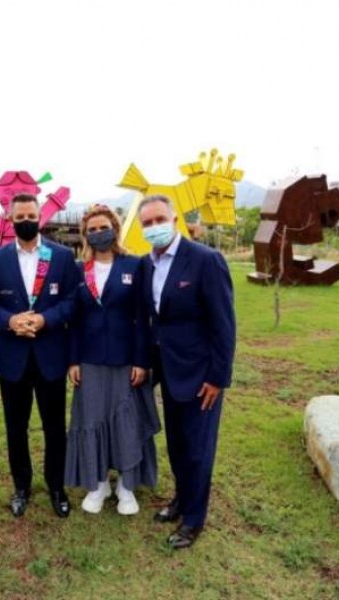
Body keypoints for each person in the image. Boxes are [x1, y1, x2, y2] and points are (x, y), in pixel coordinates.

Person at [138, 195, 236, 550]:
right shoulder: (147, 265)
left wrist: (218, 378)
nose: (153, 228)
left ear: (175, 219)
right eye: (146, 223)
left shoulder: (206, 261)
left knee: (198, 449)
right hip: (169, 372)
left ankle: (194, 519)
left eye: (158, 219)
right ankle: (181, 500)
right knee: (178, 445)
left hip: (202, 375)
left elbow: (224, 325)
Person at [0, 193, 81, 518]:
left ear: (40, 217)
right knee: (16, 427)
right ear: (10, 220)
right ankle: (21, 486)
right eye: (19, 216)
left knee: (55, 427)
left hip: (51, 355)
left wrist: (45, 319)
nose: (26, 221)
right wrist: (9, 321)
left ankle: (56, 487)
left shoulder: (63, 256)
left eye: (31, 215)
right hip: (13, 359)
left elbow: (72, 301)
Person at [65, 204, 159, 515]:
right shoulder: (79, 271)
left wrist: (141, 361)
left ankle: (126, 486)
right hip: (90, 361)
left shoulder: (135, 265)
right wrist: (73, 360)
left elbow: (143, 317)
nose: (97, 233)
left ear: (115, 229)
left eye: (102, 227)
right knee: (92, 420)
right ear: (85, 235)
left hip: (126, 361)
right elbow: (74, 321)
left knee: (125, 420)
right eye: (91, 230)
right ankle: (99, 483)